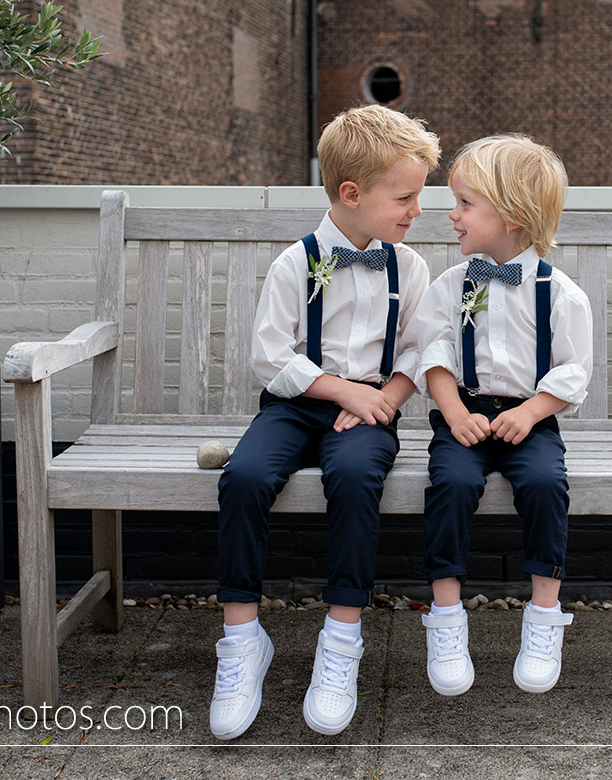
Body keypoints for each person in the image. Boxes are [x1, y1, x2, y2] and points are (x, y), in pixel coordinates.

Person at [211, 104, 440, 738]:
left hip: (370, 410)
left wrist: (385, 399)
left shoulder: (411, 268)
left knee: (355, 479)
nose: (416, 210)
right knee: (244, 478)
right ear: (352, 193)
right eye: (406, 197)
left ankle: (341, 640)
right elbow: (269, 354)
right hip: (295, 402)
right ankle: (241, 640)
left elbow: (422, 348)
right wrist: (336, 388)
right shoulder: (296, 262)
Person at [407, 134, 592, 698]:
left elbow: (573, 371)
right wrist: (453, 411)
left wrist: (534, 411)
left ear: (511, 215)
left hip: (528, 420)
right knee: (452, 482)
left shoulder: (560, 294)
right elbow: (431, 352)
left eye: (465, 203)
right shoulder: (450, 285)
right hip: (461, 414)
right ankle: (445, 617)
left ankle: (543, 614)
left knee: (542, 483)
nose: (452, 214)